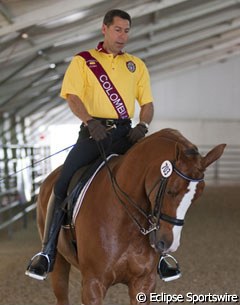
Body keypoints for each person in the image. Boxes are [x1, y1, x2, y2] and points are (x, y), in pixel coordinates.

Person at [25, 9, 180, 282]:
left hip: (125, 134)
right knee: (60, 185)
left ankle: (161, 253)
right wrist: (89, 122)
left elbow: (147, 104)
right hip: (93, 133)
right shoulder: (83, 61)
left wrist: (142, 126)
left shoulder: (136, 65)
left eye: (127, 31)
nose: (123, 36)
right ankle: (47, 251)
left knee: (155, 184)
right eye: (118, 30)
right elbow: (72, 96)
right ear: (104, 29)